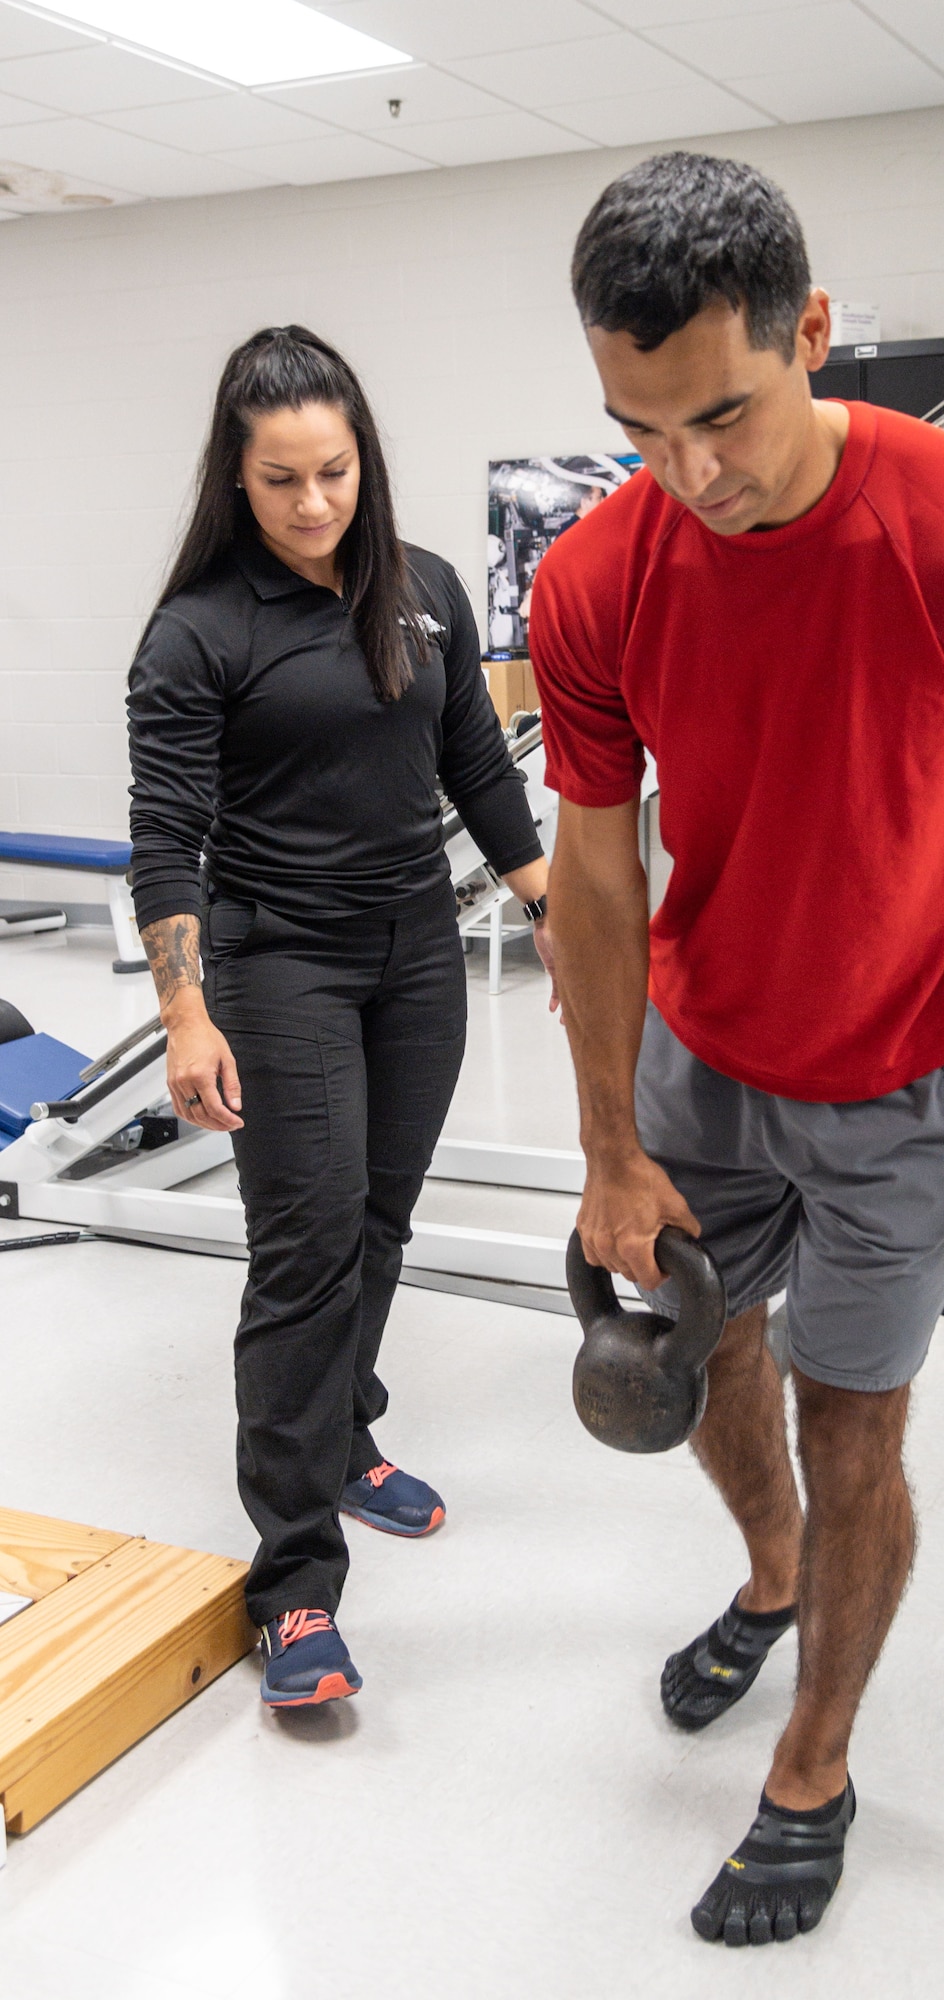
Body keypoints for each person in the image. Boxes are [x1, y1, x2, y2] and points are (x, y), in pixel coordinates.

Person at [530, 155, 944, 1946]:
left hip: (905, 1081)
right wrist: (604, 1147)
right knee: (709, 1356)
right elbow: (590, 863)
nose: (690, 473)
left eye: (721, 412)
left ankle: (816, 1761)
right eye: (642, 430)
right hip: (697, 1064)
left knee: (853, 1422)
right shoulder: (597, 576)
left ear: (812, 332)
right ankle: (771, 1572)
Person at [127, 326, 552, 1709]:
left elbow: (475, 766)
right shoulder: (198, 631)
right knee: (305, 1251)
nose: (314, 505)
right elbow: (166, 837)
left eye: (334, 472)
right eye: (280, 482)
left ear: (362, 454)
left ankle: (348, 1433)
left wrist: (559, 907)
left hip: (416, 954)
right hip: (276, 964)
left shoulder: (421, 588)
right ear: (232, 483)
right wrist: (188, 1014)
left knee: (379, 1223)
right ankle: (295, 1583)